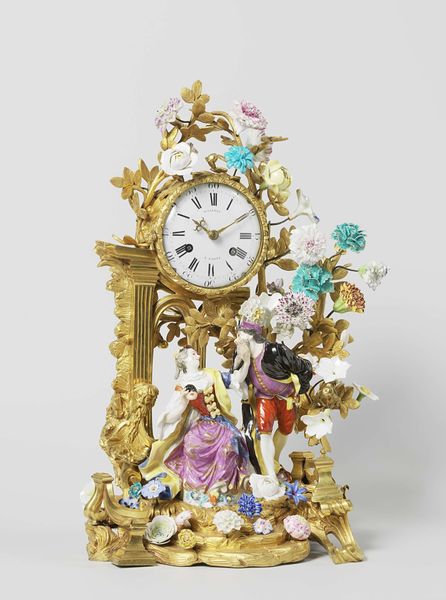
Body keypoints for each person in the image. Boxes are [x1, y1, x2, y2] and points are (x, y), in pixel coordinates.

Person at [139, 346, 251, 502]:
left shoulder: (211, 375)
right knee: (192, 445)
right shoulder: (182, 384)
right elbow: (172, 414)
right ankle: (196, 490)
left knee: (231, 443)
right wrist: (183, 399)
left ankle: (222, 487)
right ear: (184, 360)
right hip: (200, 424)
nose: (198, 356)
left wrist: (246, 361)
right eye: (193, 354)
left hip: (219, 423)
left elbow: (236, 379)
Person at [235, 321, 313, 481]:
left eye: (240, 335)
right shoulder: (241, 355)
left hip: (286, 396)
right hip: (264, 397)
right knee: (264, 432)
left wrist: (300, 390)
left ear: (250, 335)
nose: (237, 339)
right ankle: (270, 473)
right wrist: (242, 360)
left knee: (286, 429)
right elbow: (235, 379)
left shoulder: (274, 351)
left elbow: (303, 367)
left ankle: (273, 462)